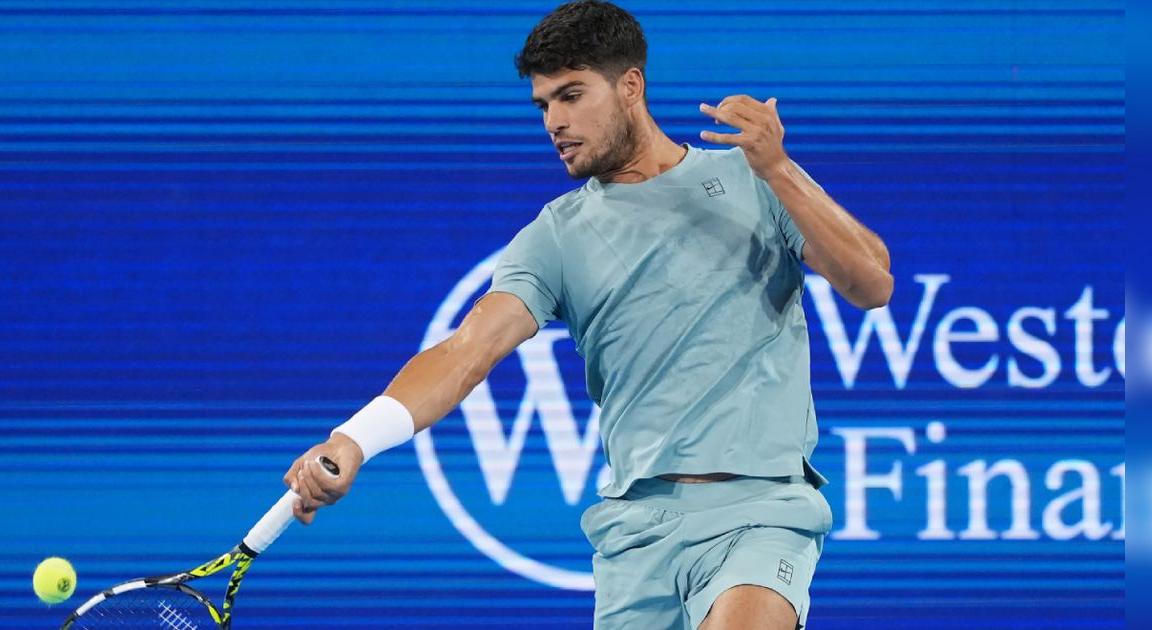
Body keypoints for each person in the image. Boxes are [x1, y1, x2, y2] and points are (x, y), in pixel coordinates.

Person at [282, 2, 892, 628]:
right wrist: (354, 439)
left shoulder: (752, 178)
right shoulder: (554, 237)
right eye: (543, 105)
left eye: (571, 96)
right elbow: (466, 352)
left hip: (760, 510)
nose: (555, 122)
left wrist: (777, 168)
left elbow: (872, 283)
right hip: (635, 534)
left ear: (631, 85)